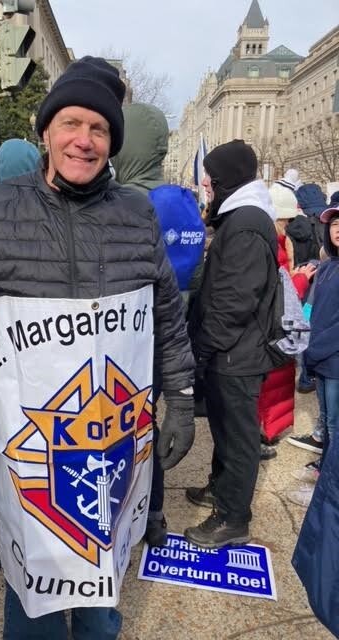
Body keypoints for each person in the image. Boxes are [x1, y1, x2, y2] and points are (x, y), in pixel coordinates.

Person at [0, 56, 195, 639]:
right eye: (72, 124)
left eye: (99, 129)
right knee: (33, 598)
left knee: (103, 587)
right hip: (34, 445)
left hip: (112, 441)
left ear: (113, 142)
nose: (84, 140)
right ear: (46, 132)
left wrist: (180, 395)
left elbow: (166, 316)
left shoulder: (135, 214)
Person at [112, 102, 204, 547]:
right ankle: (156, 516)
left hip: (126, 342)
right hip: (172, 337)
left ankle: (125, 513)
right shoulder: (181, 203)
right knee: (151, 426)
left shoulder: (122, 205)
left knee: (121, 430)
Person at [185, 139, 277, 549]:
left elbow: (235, 300)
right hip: (232, 350)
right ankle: (222, 491)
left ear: (228, 179)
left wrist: (203, 350)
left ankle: (233, 518)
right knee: (225, 431)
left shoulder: (245, 223)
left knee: (238, 439)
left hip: (236, 354)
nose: (205, 182)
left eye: (211, 175)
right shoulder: (241, 218)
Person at [257, 185, 316, 458]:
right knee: (270, 388)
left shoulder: (274, 239)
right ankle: (263, 434)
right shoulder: (272, 242)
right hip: (273, 330)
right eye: (287, 220)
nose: (290, 225)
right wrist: (301, 278)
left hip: (275, 330)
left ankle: (266, 432)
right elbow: (280, 292)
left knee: (274, 387)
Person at [287, 202, 339, 508]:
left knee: (335, 425)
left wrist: (316, 348)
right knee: (328, 421)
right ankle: (325, 472)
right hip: (320, 359)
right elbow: (313, 309)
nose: (337, 230)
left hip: (333, 361)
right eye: (333, 224)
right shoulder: (327, 268)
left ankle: (329, 487)